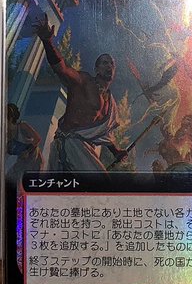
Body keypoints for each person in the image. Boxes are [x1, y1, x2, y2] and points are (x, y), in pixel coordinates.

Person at [32, 14, 126, 171]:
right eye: (105, 63)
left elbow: (104, 134)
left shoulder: (110, 103)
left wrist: (116, 152)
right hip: (70, 144)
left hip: (83, 148)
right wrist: (48, 42)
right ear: (96, 69)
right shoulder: (84, 81)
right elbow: (62, 69)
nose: (109, 66)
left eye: (112, 64)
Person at [5, 103, 43, 182]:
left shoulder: (22, 126)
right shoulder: (7, 135)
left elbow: (37, 139)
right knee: (9, 178)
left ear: (10, 118)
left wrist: (27, 151)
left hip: (33, 159)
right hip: (21, 161)